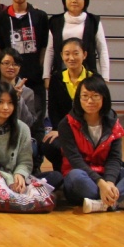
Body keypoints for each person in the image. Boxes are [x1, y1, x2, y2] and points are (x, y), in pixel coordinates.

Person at [59, 75, 124, 213]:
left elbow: (114, 158)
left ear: (104, 98)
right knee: (75, 176)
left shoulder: (113, 122)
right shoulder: (67, 124)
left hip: (107, 175)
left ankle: (102, 203)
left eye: (95, 96)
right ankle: (122, 201)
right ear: (78, 99)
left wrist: (109, 182)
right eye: (85, 96)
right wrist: (101, 183)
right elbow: (75, 161)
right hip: (84, 177)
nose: (90, 101)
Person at [0, 82, 62, 210]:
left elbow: (25, 161)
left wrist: (20, 174)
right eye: (1, 102)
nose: (5, 107)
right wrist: (8, 179)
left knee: (55, 177)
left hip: (15, 179)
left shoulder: (22, 128)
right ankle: (19, 198)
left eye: (10, 103)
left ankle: (7, 199)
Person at [0, 0, 49, 124]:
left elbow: (45, 46)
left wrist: (42, 70)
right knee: (9, 116)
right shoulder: (0, 19)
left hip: (35, 78)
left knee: (36, 119)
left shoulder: (40, 16)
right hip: (10, 78)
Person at [43, 0, 110, 84]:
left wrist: (105, 77)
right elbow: (50, 50)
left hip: (87, 77)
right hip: (60, 77)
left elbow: (102, 49)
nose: (74, 1)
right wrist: (46, 76)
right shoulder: (55, 21)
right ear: (64, 0)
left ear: (85, 1)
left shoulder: (93, 21)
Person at [45, 38, 94, 174]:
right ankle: (61, 175)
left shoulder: (93, 79)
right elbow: (53, 110)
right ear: (61, 55)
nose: (71, 58)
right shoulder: (56, 79)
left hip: (88, 131)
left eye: (75, 53)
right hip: (65, 130)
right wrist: (59, 130)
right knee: (49, 144)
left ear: (84, 55)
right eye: (67, 54)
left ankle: (89, 173)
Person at [0, 48, 40, 155]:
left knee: (32, 149)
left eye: (15, 64)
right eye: (6, 63)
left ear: (19, 67)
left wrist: (18, 100)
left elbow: (29, 123)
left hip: (18, 136)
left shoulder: (27, 92)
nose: (11, 67)